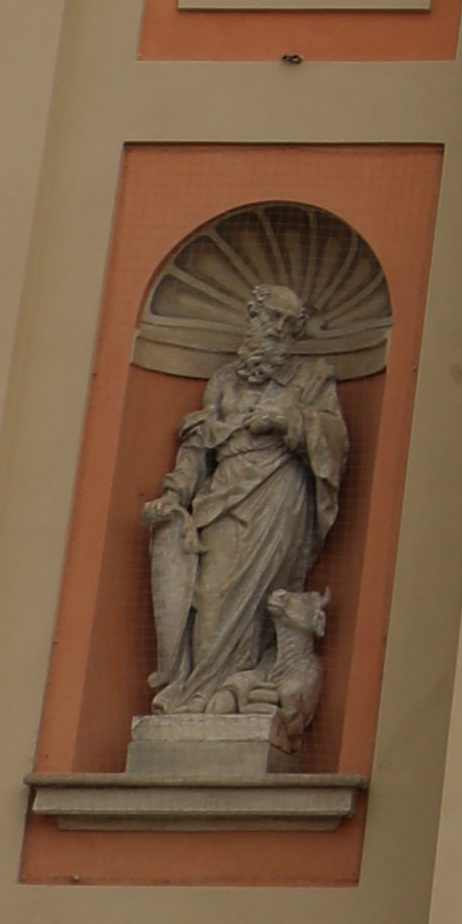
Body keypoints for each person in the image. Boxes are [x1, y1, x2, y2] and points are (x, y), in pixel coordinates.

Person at [144, 280, 350, 729]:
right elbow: (199, 447)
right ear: (252, 319)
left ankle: (235, 690)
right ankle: (195, 694)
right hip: (223, 495)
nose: (277, 329)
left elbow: (335, 440)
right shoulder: (222, 382)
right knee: (211, 594)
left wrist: (289, 420)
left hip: (278, 495)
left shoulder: (310, 379)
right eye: (270, 317)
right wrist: (175, 493)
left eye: (287, 323)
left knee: (260, 598)